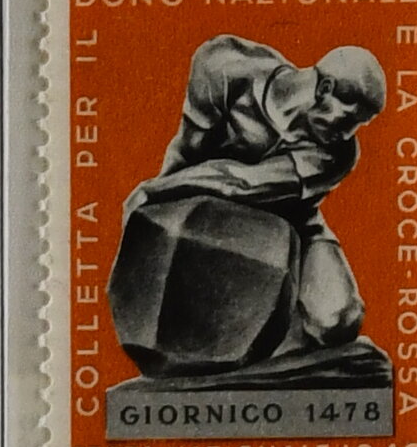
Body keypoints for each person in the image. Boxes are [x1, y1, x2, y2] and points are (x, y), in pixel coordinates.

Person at [107, 27, 393, 383]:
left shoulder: (338, 154)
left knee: (339, 319)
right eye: (349, 119)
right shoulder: (225, 64)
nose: (348, 134)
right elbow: (189, 146)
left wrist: (156, 189)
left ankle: (274, 339)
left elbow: (243, 182)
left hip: (290, 220)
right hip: (207, 203)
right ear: (324, 89)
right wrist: (152, 213)